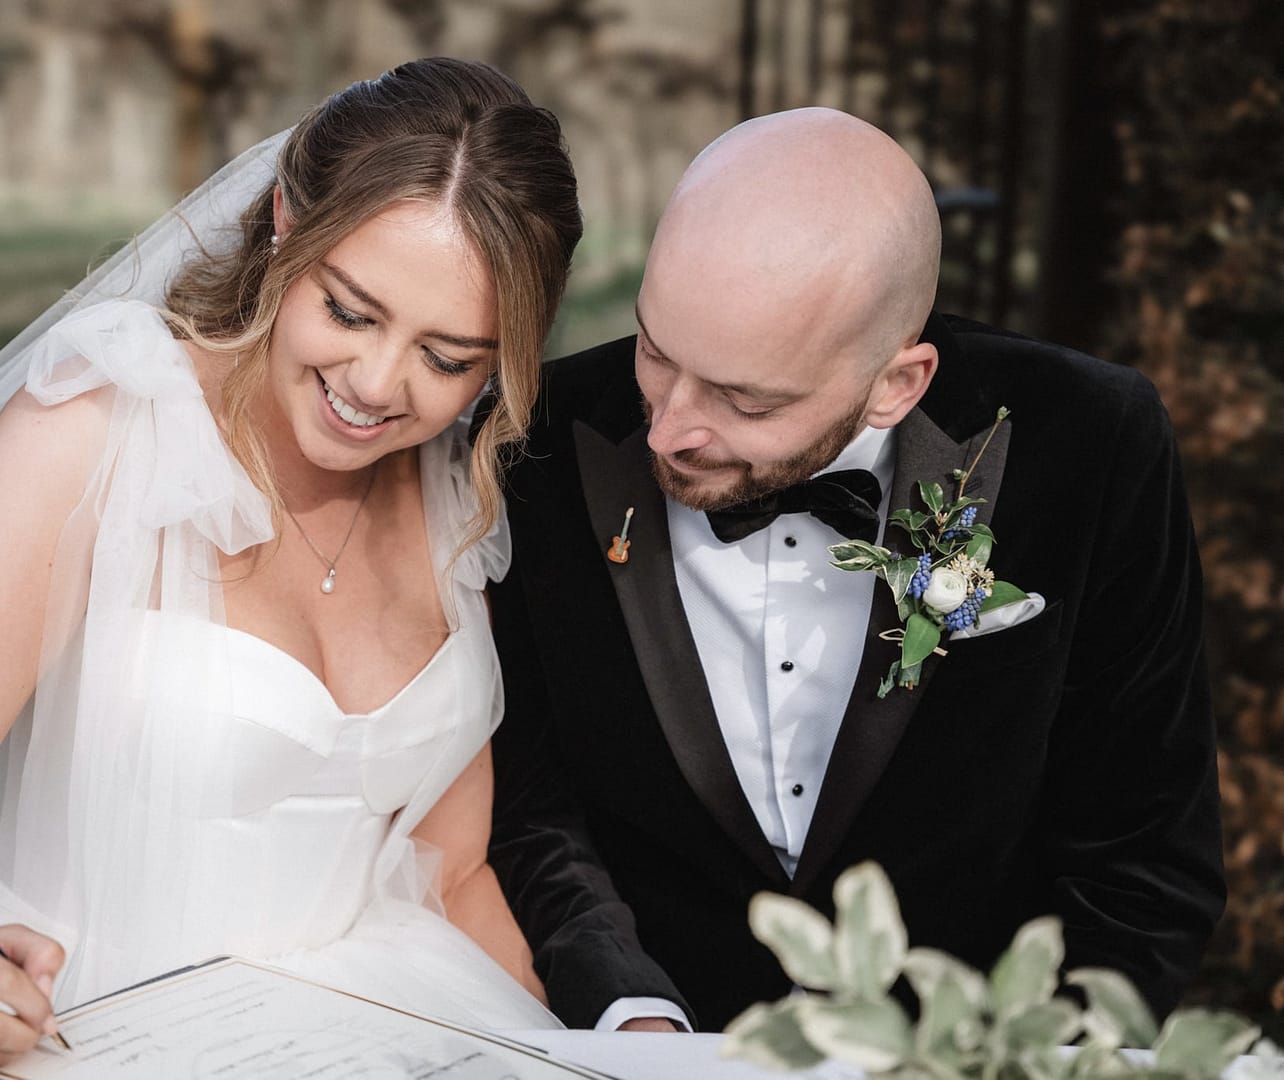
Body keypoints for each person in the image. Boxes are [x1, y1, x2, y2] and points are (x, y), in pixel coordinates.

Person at [0, 57, 582, 1071]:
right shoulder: (101, 427)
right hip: (73, 1016)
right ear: (285, 222)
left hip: (378, 1018)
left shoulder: (451, 487)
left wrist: (547, 1047)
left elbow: (451, 879)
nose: (375, 385)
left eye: (449, 358)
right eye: (350, 311)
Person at [485, 107, 1225, 1033]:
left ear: (896, 384)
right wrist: (628, 1015)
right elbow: (528, 807)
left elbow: (1144, 854)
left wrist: (1032, 1054)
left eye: (746, 400)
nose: (668, 428)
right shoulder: (533, 444)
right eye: (655, 351)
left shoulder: (1095, 444)